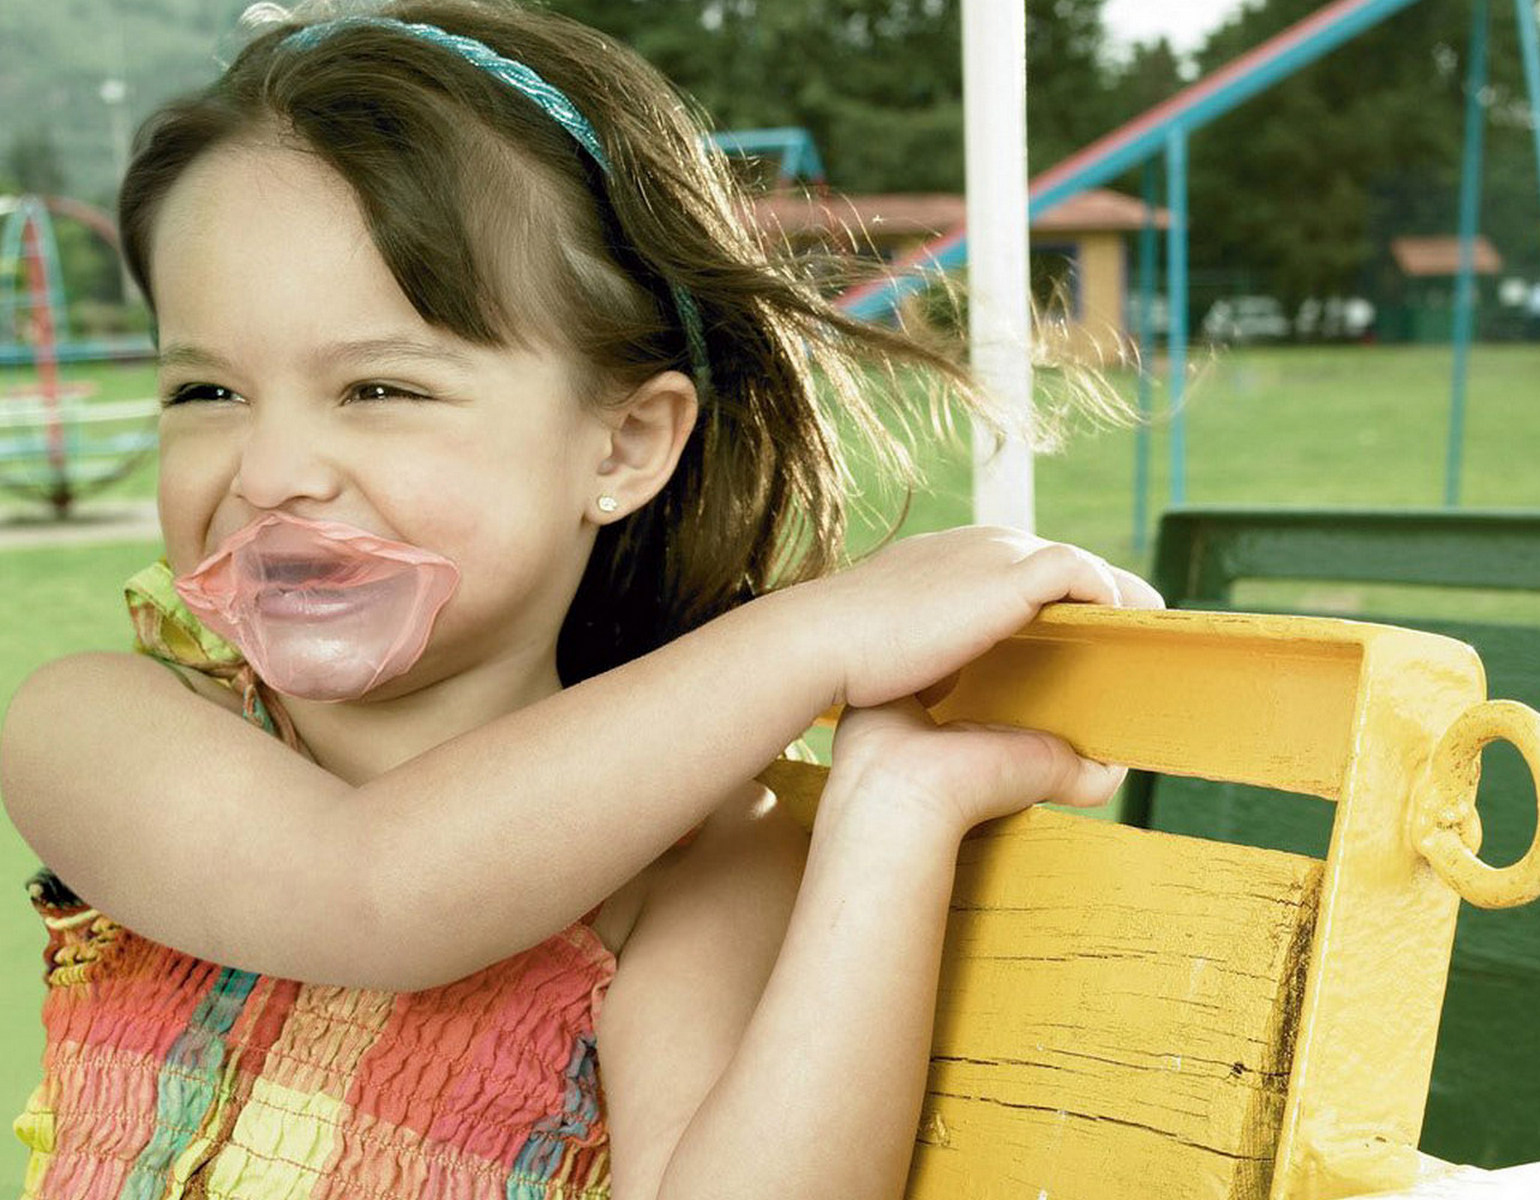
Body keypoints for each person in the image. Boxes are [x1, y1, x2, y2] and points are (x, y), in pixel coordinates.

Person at [0, 3, 1161, 1197]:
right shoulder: (98, 727)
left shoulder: (693, 861)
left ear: (622, 449)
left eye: (380, 388)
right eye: (206, 391)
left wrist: (892, 815)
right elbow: (373, 890)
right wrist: (817, 636)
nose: (270, 470)